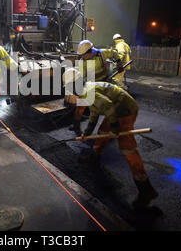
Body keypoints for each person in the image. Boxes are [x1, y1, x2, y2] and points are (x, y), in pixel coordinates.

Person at [63, 68, 158, 208]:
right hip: (116, 108)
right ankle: (95, 157)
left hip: (125, 110)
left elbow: (108, 106)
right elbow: (94, 114)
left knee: (127, 148)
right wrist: (87, 133)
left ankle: (146, 189)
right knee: (102, 132)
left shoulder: (88, 92)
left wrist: (114, 128)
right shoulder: (86, 91)